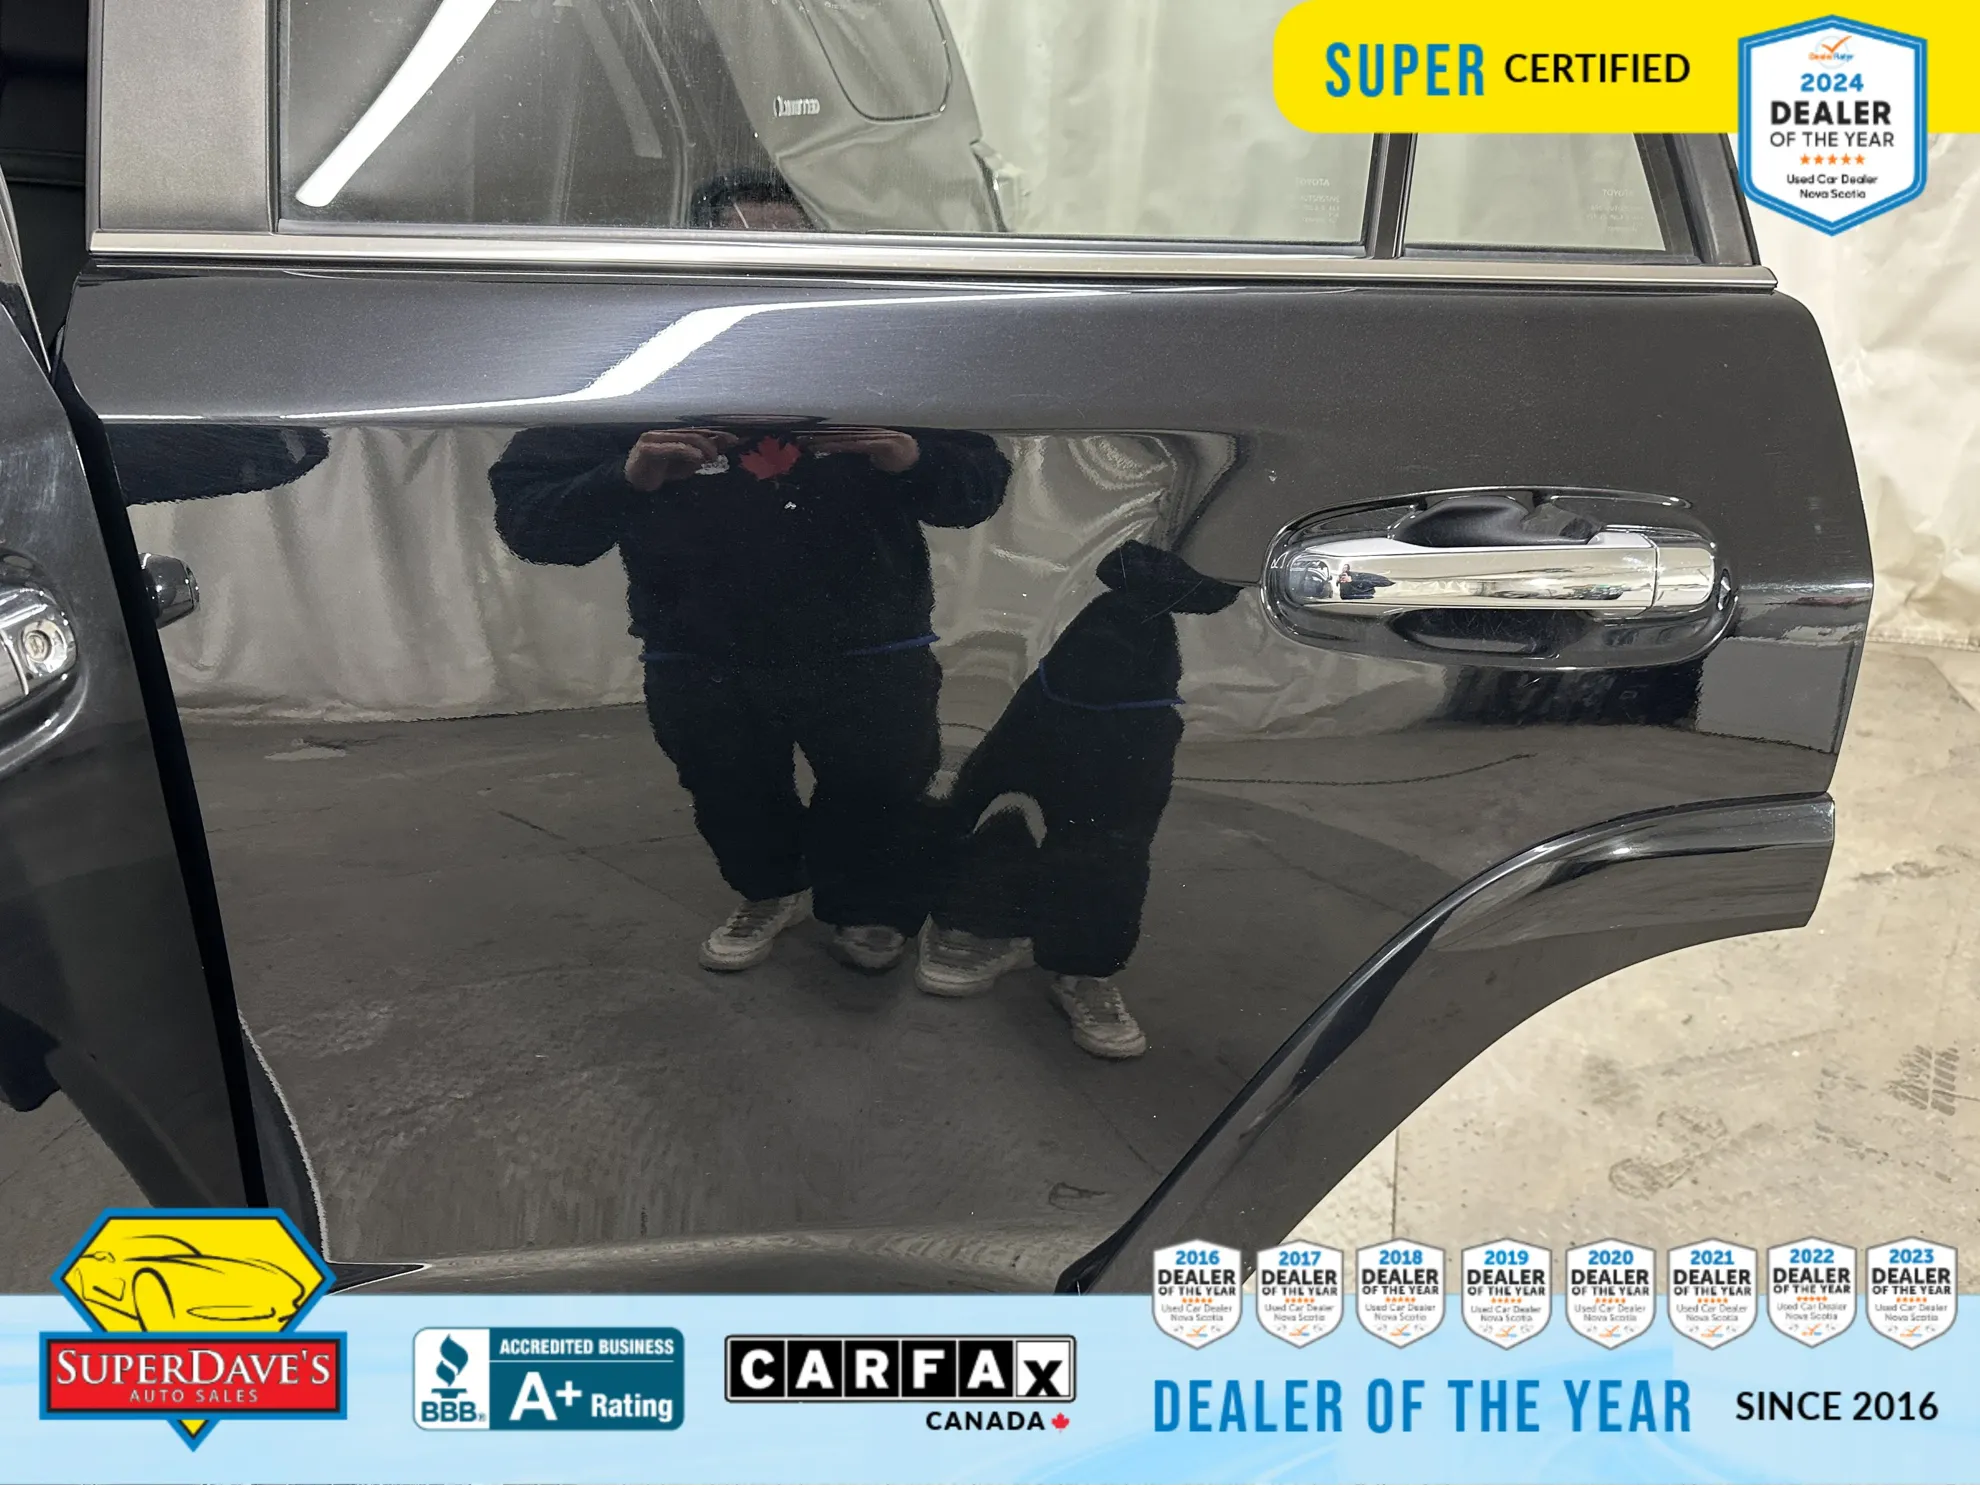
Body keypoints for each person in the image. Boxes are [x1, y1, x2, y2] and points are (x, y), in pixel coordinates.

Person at [490, 418, 1009, 974]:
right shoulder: (627, 402)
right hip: (699, 645)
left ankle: (867, 905)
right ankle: (772, 889)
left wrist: (916, 460)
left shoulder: (873, 386)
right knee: (730, 790)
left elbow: (975, 492)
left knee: (881, 785)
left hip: (869, 640)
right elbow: (534, 529)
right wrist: (623, 478)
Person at [915, 540, 1242, 1059]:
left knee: (1114, 833)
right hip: (1055, 657)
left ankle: (1083, 966)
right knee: (1000, 794)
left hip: (1143, 694)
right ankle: (982, 920)